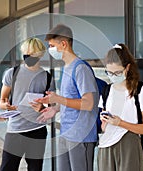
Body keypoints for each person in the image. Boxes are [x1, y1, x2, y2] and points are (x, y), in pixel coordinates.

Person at [35, 24, 99, 171]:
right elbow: (70, 99)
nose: (50, 50)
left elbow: (88, 103)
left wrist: (58, 99)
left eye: (52, 45)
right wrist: (55, 109)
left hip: (81, 136)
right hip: (66, 133)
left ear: (63, 44)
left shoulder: (80, 68)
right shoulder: (66, 67)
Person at [0, 38, 55, 171]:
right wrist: (6, 106)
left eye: (32, 55)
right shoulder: (12, 73)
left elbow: (51, 107)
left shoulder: (47, 77)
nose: (28, 57)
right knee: (7, 168)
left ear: (40, 55)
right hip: (15, 130)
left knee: (35, 169)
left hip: (37, 130)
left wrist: (42, 108)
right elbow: (2, 101)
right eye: (26, 54)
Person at [97, 43, 143, 171]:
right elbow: (103, 126)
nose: (113, 76)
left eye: (117, 72)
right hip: (106, 145)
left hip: (129, 144)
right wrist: (105, 123)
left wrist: (120, 123)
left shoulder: (140, 91)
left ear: (127, 68)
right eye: (109, 72)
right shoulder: (106, 91)